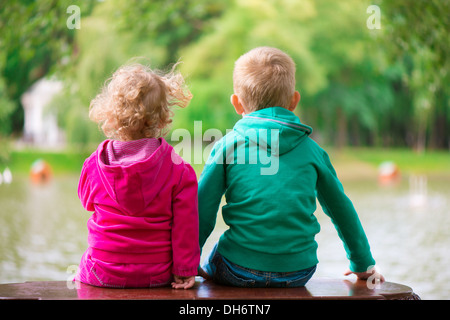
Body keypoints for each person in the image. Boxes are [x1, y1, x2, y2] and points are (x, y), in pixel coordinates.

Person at [198, 47, 384, 287]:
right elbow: (341, 210)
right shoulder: (313, 152)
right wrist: (363, 265)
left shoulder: (227, 147)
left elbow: (202, 208)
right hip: (299, 272)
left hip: (237, 269)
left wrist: (187, 262)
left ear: (237, 103)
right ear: (294, 101)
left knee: (215, 258)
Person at [75, 63, 200, 289]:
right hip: (157, 274)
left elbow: (86, 202)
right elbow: (186, 228)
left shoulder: (94, 165)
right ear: (162, 119)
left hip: (102, 271)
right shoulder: (180, 171)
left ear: (111, 116)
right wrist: (184, 271)